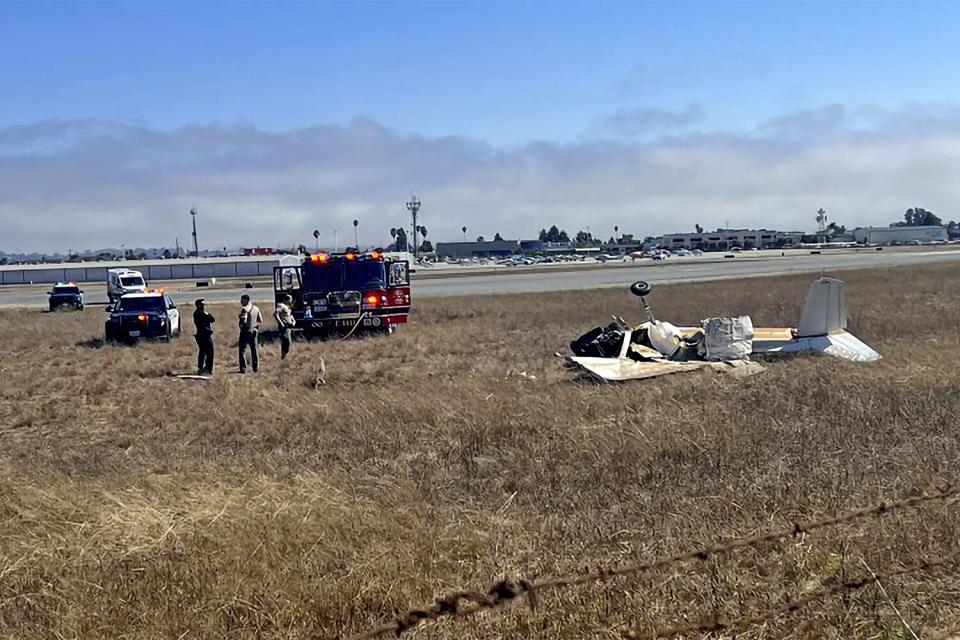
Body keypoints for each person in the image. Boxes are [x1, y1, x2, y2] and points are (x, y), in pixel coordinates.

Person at [237, 294, 262, 373]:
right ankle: (256, 367)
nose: (241, 302)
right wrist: (255, 327)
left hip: (246, 331)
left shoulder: (244, 309)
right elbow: (260, 320)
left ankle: (243, 368)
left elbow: (243, 322)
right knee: (254, 349)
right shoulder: (256, 308)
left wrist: (242, 325)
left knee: (242, 350)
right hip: (254, 330)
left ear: (246, 300)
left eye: (242, 300)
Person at [193, 298, 215, 374]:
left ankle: (201, 367)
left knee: (203, 351)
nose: (204, 306)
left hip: (203, 335)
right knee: (210, 352)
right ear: (198, 305)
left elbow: (212, 319)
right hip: (204, 335)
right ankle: (207, 369)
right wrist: (207, 314)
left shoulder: (201, 313)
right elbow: (211, 319)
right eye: (202, 305)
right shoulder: (199, 313)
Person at [273, 294, 296, 359]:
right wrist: (281, 323)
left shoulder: (287, 307)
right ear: (287, 300)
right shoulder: (281, 306)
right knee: (286, 340)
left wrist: (293, 321)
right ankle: (283, 355)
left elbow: (290, 315)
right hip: (284, 326)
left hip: (289, 326)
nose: (291, 302)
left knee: (288, 341)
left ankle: (285, 354)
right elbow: (276, 314)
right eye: (290, 300)